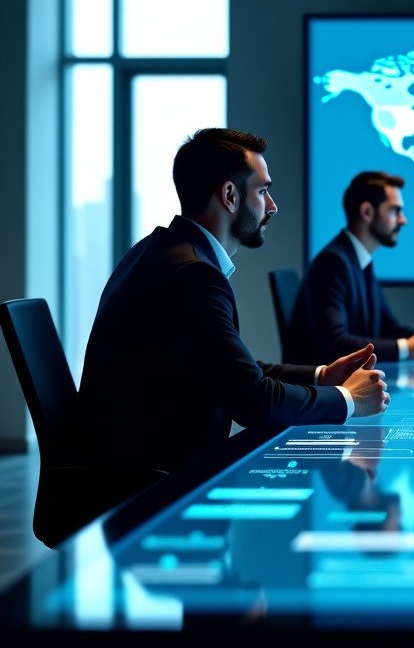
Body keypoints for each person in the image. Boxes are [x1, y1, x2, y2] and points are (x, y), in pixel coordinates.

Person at [79, 129, 389, 476]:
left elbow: (232, 370)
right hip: (150, 482)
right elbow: (254, 401)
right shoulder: (192, 275)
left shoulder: (160, 252)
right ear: (229, 195)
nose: (272, 206)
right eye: (263, 191)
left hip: (139, 463)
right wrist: (349, 400)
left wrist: (323, 376)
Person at [289, 170, 414, 363]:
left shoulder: (360, 260)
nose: (403, 220)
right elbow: (336, 345)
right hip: (327, 389)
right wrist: (408, 348)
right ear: (367, 212)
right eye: (395, 211)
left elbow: (386, 328)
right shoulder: (333, 262)